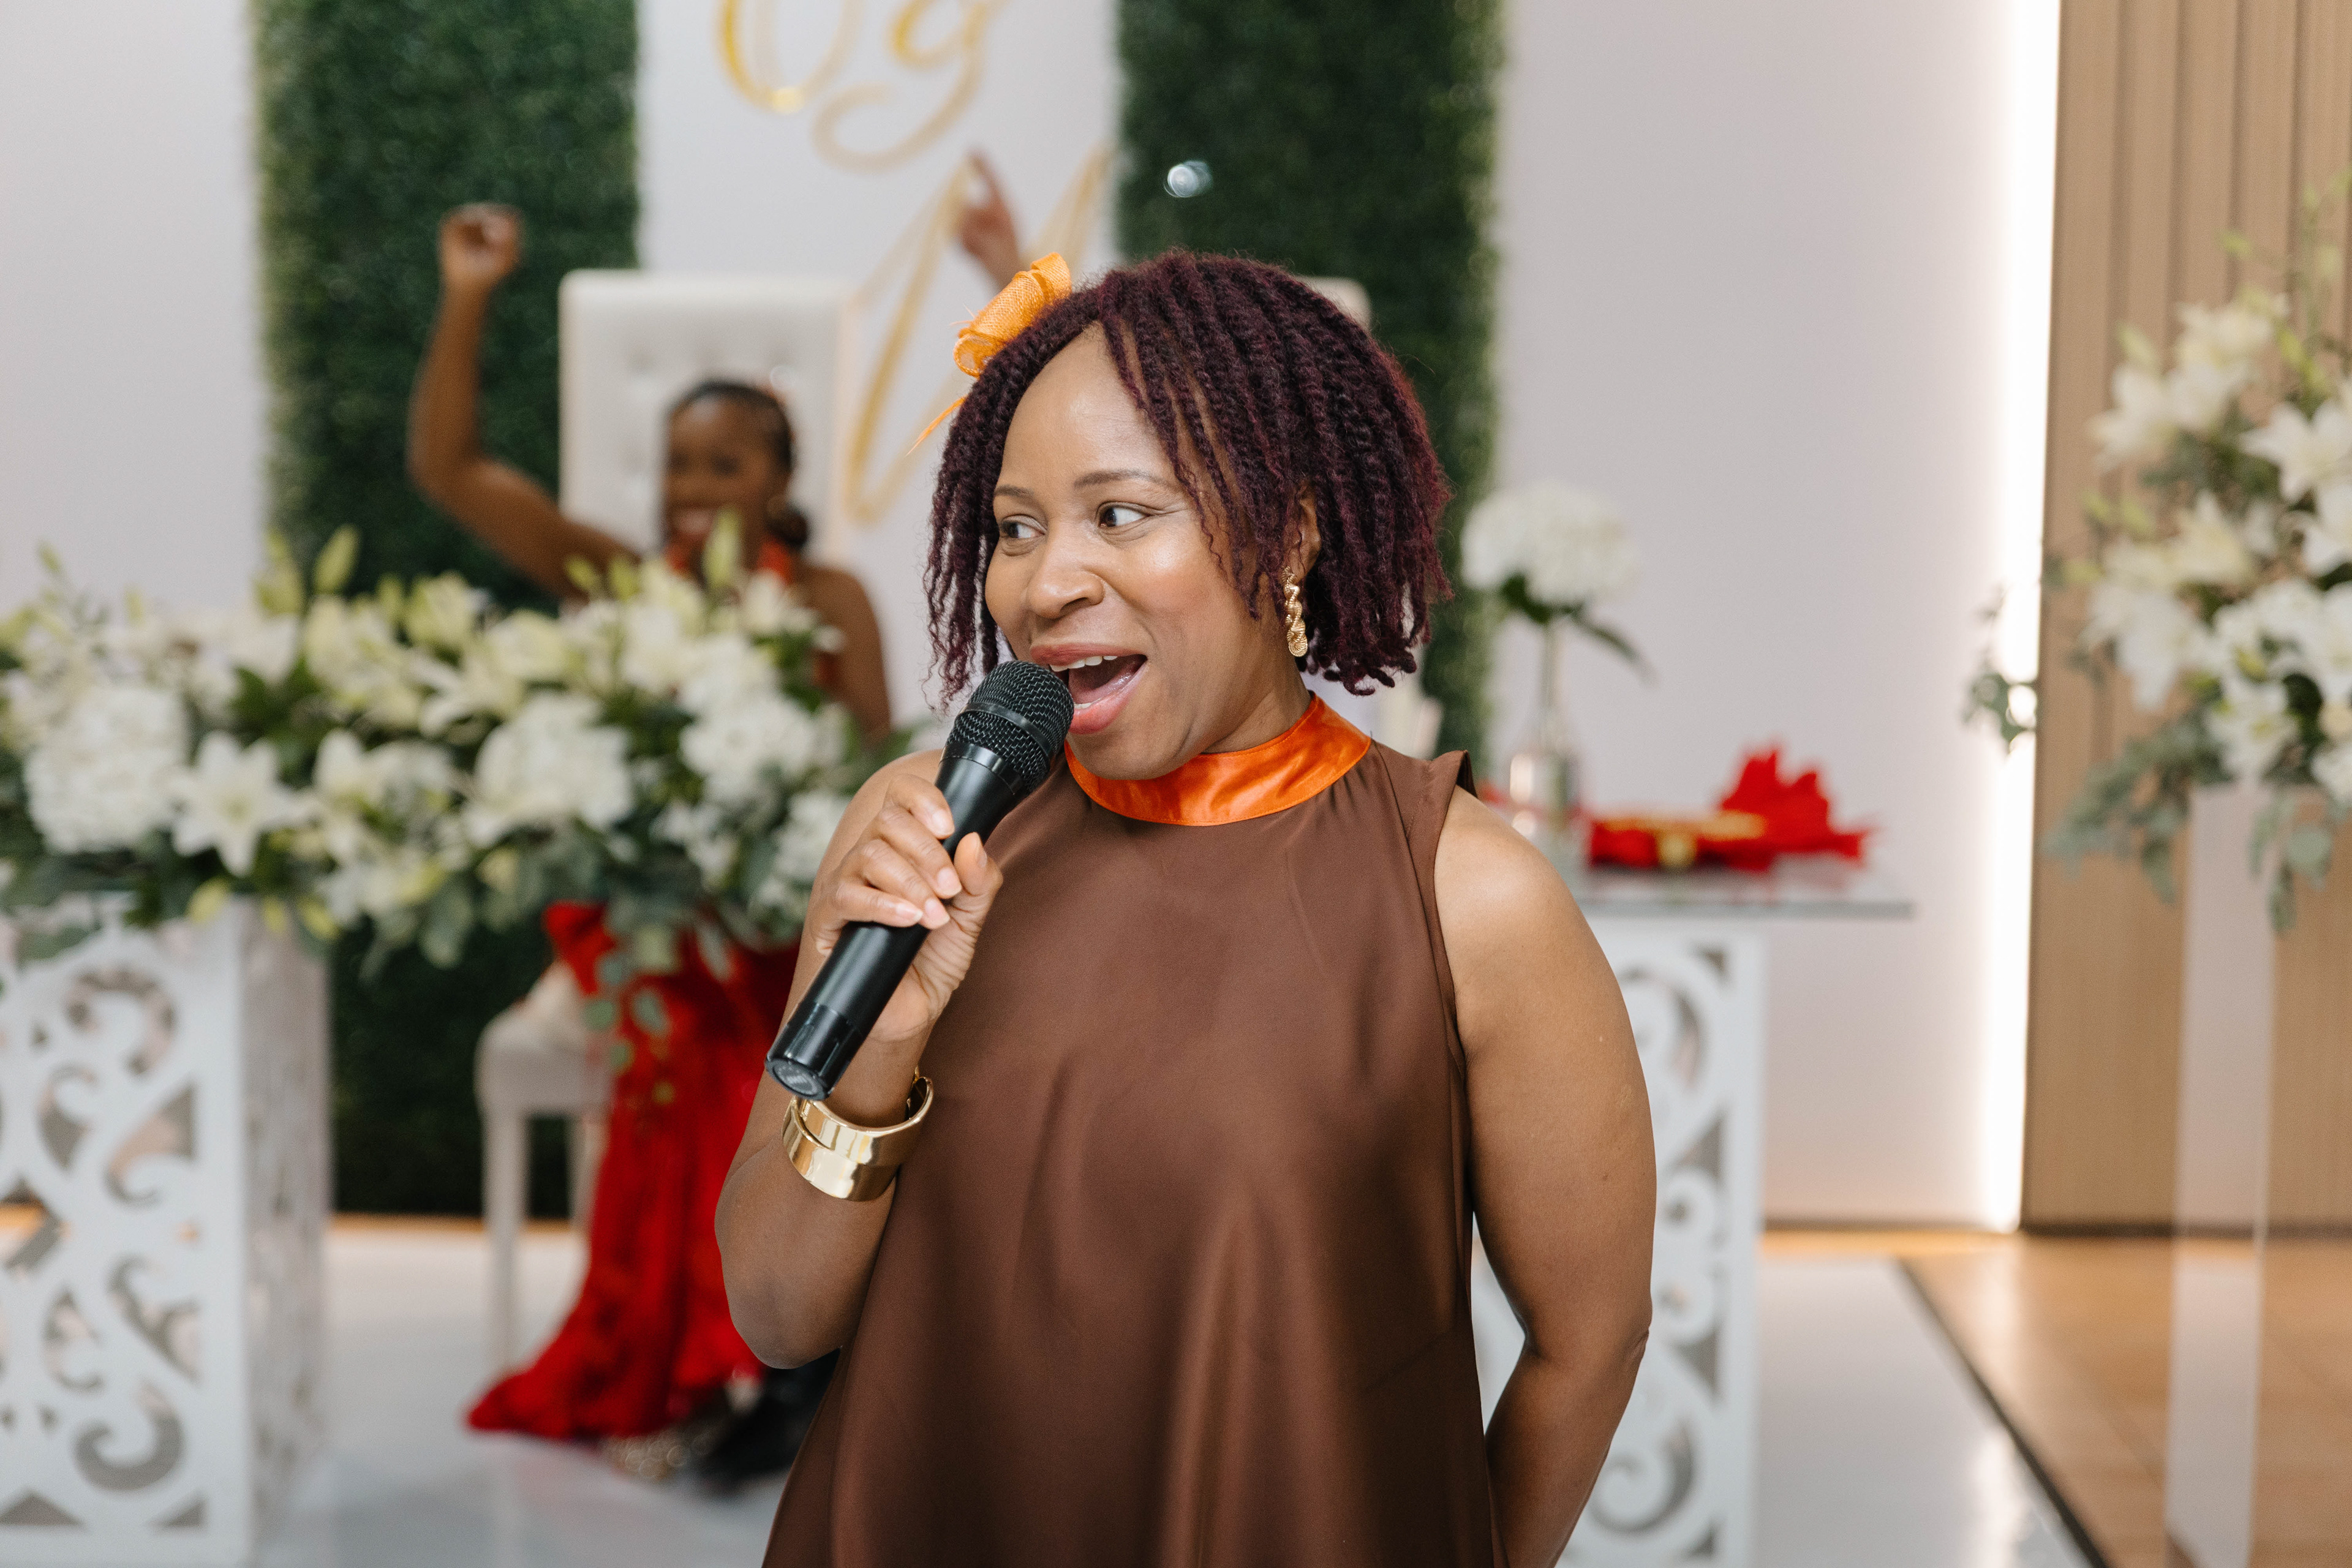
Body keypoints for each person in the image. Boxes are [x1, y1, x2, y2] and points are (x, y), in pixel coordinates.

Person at [717, 251, 1656, 1565]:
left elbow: (1589, 1338)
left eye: (1120, 513)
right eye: (1016, 527)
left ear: (1291, 531)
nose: (1045, 583)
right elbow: (775, 1314)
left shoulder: (1466, 895)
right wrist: (875, 1062)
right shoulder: (919, 834)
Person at [409, 202, 892, 741]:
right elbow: (451, 472)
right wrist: (467, 294)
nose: (692, 488)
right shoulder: (627, 583)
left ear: (782, 479)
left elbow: (879, 759)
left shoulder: (832, 599)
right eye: (676, 464)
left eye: (725, 466)